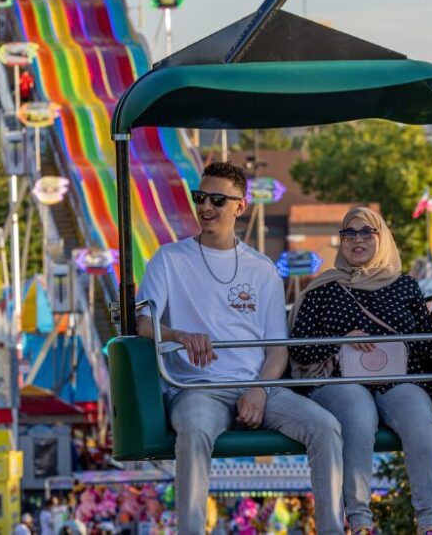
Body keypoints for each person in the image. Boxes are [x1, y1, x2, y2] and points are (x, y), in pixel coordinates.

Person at [134, 161, 345, 534]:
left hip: (257, 386)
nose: (206, 207)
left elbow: (276, 350)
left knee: (325, 426)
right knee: (195, 429)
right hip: (198, 389)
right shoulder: (169, 259)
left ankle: (330, 528)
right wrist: (179, 335)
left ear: (239, 207)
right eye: (200, 198)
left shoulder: (262, 269)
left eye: (217, 199)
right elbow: (142, 323)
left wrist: (259, 390)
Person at [289, 206, 432, 535]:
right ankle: (360, 519)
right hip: (340, 380)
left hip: (396, 379)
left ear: (382, 238)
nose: (357, 240)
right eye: (349, 233)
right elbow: (299, 348)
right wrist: (340, 340)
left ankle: (430, 520)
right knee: (357, 410)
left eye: (367, 232)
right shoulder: (323, 290)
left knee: (417, 412)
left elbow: (424, 350)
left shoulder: (404, 287)